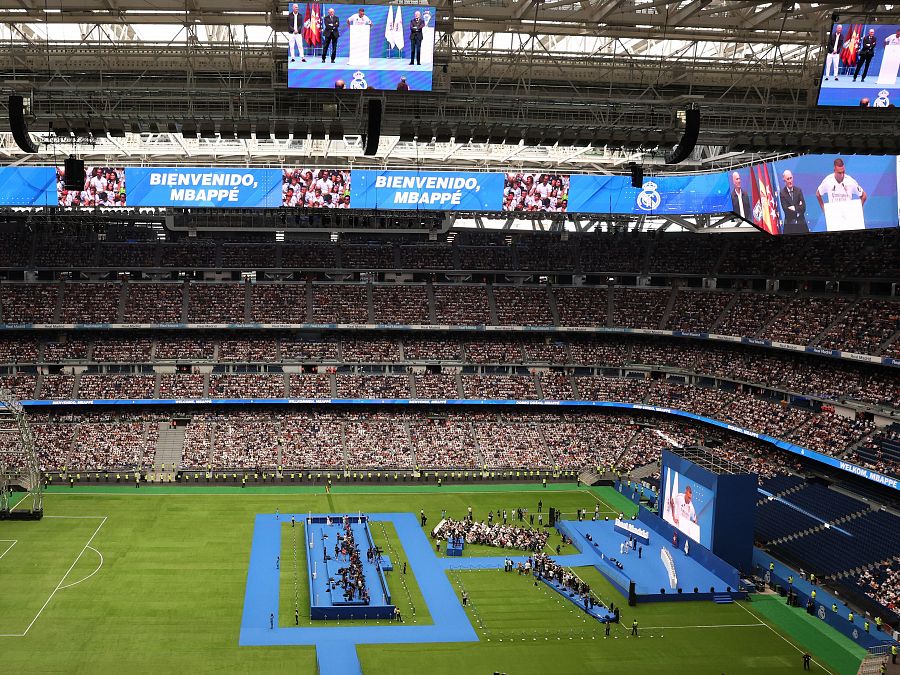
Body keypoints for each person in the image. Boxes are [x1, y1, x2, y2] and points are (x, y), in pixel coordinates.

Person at [779, 170, 808, 234]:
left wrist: (794, 208)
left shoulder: (798, 191)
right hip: (790, 226)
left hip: (802, 225)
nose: (790, 181)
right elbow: (786, 211)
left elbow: (803, 208)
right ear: (784, 180)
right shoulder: (782, 193)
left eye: (791, 178)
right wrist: (798, 209)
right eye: (788, 179)